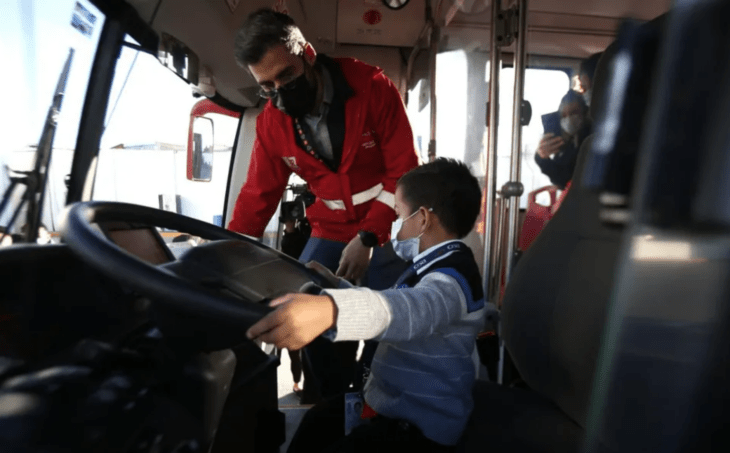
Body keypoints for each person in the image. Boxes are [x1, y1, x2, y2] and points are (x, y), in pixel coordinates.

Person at [228, 8, 419, 400]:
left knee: (393, 325)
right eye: (267, 86)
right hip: (329, 231)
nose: (280, 91)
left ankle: (376, 396)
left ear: (308, 55)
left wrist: (368, 236)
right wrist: (225, 253)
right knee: (312, 322)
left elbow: (403, 171)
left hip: (385, 229)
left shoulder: (372, 87)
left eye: (287, 75)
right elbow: (257, 197)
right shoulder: (271, 123)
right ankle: (329, 404)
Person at [247, 158, 487, 452]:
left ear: (423, 219)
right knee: (316, 422)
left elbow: (408, 311)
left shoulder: (452, 280)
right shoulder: (430, 267)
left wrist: (331, 311)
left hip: (419, 428)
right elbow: (397, 303)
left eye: (398, 214)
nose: (395, 225)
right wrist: (334, 286)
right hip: (390, 404)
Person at [534, 89, 591, 189]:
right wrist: (542, 157)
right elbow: (561, 180)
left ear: (584, 114)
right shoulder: (567, 143)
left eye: (574, 113)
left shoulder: (591, 139)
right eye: (564, 115)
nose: (569, 119)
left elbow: (569, 181)